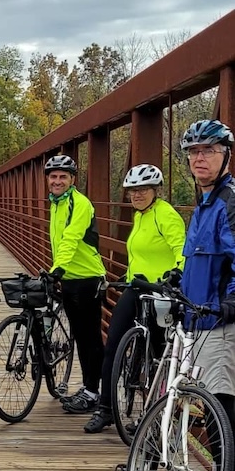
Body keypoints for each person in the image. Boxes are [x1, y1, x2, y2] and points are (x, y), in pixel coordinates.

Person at [83, 164, 185, 434]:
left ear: (156, 191)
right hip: (135, 287)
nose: (136, 195)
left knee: (156, 357)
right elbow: (139, 254)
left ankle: (154, 417)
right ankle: (105, 409)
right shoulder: (139, 216)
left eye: (142, 190)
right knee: (113, 346)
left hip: (159, 291)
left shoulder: (166, 215)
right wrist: (121, 279)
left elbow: (181, 249)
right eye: (132, 191)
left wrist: (177, 273)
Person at [177, 120, 235, 471]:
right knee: (210, 405)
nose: (200, 158)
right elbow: (198, 261)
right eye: (194, 152)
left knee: (221, 406)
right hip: (195, 321)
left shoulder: (229, 203)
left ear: (226, 155)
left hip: (220, 323)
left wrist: (232, 302)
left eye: (209, 151)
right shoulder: (204, 203)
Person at [43, 155, 107, 415]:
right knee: (79, 336)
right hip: (69, 278)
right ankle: (89, 388)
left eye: (63, 177)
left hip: (88, 278)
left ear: (72, 180)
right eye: (53, 176)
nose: (57, 181)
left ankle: (93, 391)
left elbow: (70, 238)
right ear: (48, 180)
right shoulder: (56, 204)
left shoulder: (79, 203)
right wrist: (58, 271)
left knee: (90, 337)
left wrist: (56, 270)